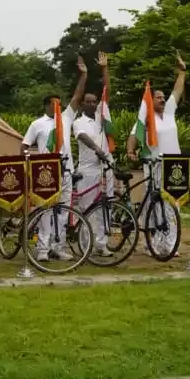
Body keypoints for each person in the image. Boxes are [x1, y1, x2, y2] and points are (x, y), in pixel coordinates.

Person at [20, 53, 98, 261]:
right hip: (46, 173)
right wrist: (31, 165)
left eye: (59, 103)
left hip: (66, 171)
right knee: (46, 210)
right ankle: (42, 249)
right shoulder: (38, 124)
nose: (58, 106)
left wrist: (84, 75)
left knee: (63, 211)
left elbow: (77, 96)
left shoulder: (66, 117)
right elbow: (24, 146)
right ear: (46, 105)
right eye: (54, 104)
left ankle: (58, 247)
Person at [125, 53, 187, 254]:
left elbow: (177, 91)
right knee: (153, 205)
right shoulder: (146, 119)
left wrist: (182, 71)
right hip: (153, 165)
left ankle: (170, 243)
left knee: (172, 204)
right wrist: (130, 151)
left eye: (163, 97)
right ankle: (153, 241)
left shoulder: (169, 111)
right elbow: (134, 136)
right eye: (158, 97)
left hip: (174, 166)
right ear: (151, 101)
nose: (162, 99)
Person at [72, 86, 114, 257]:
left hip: (105, 168)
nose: (91, 104)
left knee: (106, 207)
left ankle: (102, 244)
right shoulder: (78, 122)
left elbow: (108, 91)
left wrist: (105, 70)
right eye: (88, 102)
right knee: (87, 208)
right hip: (88, 170)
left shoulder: (101, 118)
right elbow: (82, 136)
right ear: (82, 104)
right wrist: (96, 147)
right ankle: (85, 244)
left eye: (94, 102)